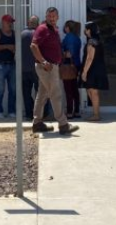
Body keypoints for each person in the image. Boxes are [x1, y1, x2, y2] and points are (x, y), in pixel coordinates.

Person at [30, 7, 79, 135]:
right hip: (47, 67)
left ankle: (37, 123)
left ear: (57, 17)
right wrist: (44, 62)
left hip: (51, 67)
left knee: (42, 95)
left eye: (54, 16)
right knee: (56, 94)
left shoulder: (54, 30)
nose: (51, 18)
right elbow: (33, 46)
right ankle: (63, 124)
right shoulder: (42, 28)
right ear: (46, 16)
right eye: (49, 16)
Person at [21, 16, 52, 121]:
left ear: (28, 22)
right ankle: (43, 114)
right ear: (37, 23)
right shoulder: (40, 34)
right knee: (42, 92)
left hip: (24, 68)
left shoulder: (21, 35)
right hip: (38, 68)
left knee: (26, 92)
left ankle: (29, 114)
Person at [81, 22, 109, 122]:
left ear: (89, 30)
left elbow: (90, 58)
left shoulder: (92, 41)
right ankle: (95, 113)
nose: (84, 31)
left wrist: (84, 72)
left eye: (86, 29)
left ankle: (96, 115)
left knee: (93, 91)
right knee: (90, 90)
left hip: (93, 70)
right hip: (96, 69)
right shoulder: (97, 40)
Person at [0, 15, 16, 118]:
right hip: (0, 65)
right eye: (8, 22)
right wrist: (6, 46)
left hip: (12, 64)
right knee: (0, 89)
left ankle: (11, 111)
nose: (10, 24)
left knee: (13, 89)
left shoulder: (14, 34)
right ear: (3, 22)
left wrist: (14, 49)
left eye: (11, 22)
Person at [62, 20, 82, 119]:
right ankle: (77, 111)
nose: (64, 28)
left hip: (68, 66)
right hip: (76, 65)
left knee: (68, 90)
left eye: (65, 26)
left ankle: (69, 112)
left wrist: (63, 54)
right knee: (74, 89)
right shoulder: (77, 38)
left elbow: (70, 54)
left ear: (68, 28)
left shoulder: (68, 38)